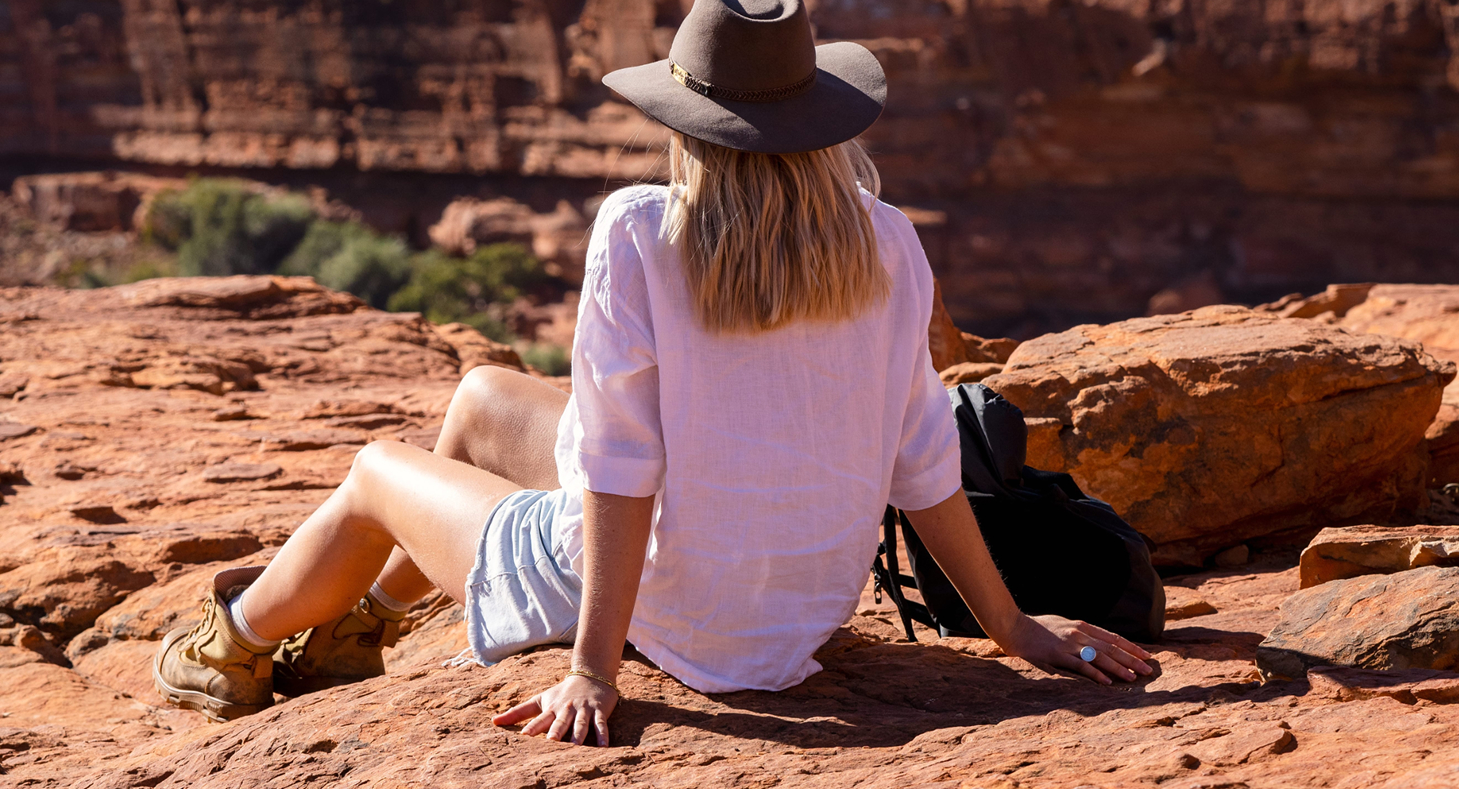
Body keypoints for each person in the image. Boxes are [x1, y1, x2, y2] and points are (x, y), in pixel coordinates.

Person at [154, 0, 1156, 744]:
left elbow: (621, 468)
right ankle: (364, 624)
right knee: (480, 399)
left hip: (669, 607)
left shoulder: (641, 229)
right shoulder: (888, 240)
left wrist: (593, 666)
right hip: (799, 608)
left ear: (689, 119)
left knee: (376, 470)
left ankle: (230, 644)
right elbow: (923, 456)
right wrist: (1008, 624)